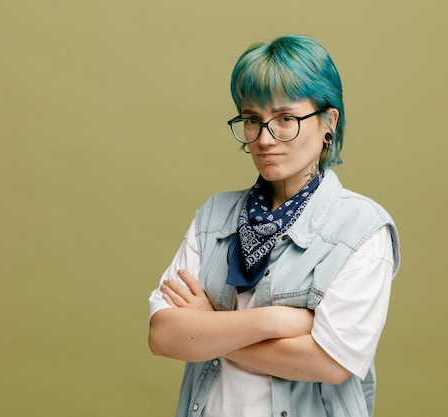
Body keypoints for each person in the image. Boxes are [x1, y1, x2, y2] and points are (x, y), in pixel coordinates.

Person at [148, 34, 401, 417]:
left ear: (328, 123)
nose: (265, 138)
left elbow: (329, 364)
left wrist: (209, 330)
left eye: (286, 119)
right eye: (252, 120)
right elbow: (164, 335)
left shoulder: (363, 229)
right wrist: (277, 320)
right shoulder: (213, 216)